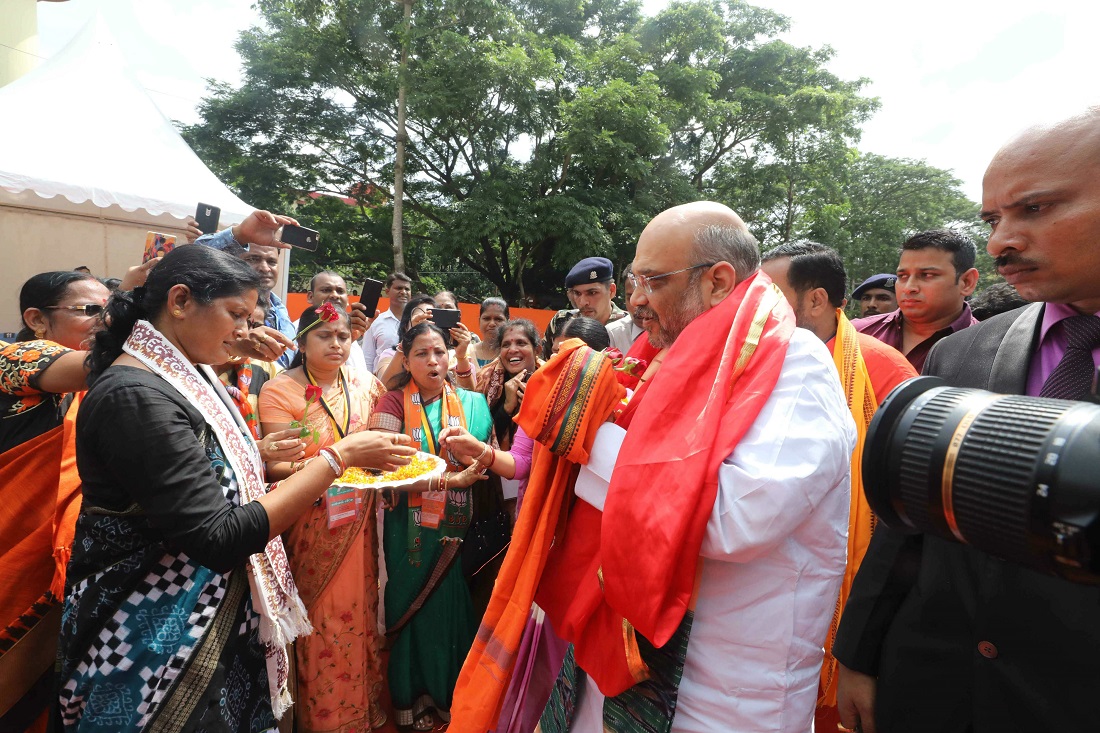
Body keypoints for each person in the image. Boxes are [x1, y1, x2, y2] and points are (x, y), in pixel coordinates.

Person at [451, 201, 855, 733]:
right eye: (633, 279)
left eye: (652, 281)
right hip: (616, 656)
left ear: (717, 281)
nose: (636, 300)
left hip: (726, 694)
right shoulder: (661, 358)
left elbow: (735, 521)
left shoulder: (793, 366)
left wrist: (583, 428)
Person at [57, 245, 417, 731]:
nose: (247, 332)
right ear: (180, 301)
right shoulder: (135, 395)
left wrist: (254, 454)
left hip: (208, 619)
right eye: (236, 315)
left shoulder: (184, 372)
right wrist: (339, 458)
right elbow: (219, 537)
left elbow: (200, 462)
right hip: (155, 636)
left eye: (251, 317)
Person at [833, 109, 1100, 733]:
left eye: (1034, 209)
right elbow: (907, 521)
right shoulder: (964, 353)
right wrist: (860, 652)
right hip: (934, 678)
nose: (1003, 240)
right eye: (993, 220)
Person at [760, 241, 917, 730]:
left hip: (852, 570)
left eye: (771, 295)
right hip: (768, 567)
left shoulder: (883, 369)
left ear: (816, 300)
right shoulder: (753, 362)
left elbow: (905, 506)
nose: (757, 308)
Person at [258, 302, 390, 732]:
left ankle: (360, 713)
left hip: (360, 520)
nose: (337, 344)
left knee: (361, 609)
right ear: (301, 342)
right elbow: (276, 467)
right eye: (324, 336)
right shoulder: (280, 390)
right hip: (310, 521)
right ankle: (323, 720)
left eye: (343, 337)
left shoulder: (365, 382)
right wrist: (331, 468)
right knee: (322, 620)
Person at [368, 321, 493, 731]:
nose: (432, 361)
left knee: (452, 615)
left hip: (457, 532)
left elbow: (489, 457)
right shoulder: (390, 405)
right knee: (411, 611)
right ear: (406, 359)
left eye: (439, 351)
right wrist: (446, 479)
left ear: (450, 355)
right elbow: (381, 472)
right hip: (409, 534)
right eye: (421, 353)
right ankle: (410, 702)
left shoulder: (473, 404)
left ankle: (449, 704)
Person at [0, 270, 110, 732]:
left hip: (70, 561)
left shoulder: (103, 384)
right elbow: (98, 364)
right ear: (36, 320)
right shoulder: (14, 357)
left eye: (110, 310)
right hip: (14, 553)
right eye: (91, 312)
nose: (105, 322)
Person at [853, 230, 980, 372]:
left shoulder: (988, 350)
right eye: (902, 276)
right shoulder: (855, 334)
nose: (909, 288)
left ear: (967, 282)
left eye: (927, 275)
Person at [195, 209, 301, 367]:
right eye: (254, 259)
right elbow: (196, 256)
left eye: (271, 261)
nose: (265, 268)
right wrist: (240, 234)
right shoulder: (215, 302)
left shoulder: (281, 312)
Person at [474, 319, 542, 451]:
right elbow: (481, 438)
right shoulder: (486, 382)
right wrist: (507, 407)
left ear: (537, 350)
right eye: (505, 345)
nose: (512, 350)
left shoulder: (551, 382)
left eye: (521, 343)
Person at [541, 257, 627, 359]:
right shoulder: (563, 320)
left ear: (611, 290)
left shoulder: (628, 326)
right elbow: (544, 364)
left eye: (592, 293)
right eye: (577, 293)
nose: (583, 302)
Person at [296, 270, 371, 374]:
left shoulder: (353, 331)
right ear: (310, 296)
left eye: (340, 291)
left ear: (348, 299)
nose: (335, 295)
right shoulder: (297, 329)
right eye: (326, 290)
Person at [362, 272, 413, 371]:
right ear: (387, 291)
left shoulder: (417, 322)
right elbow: (368, 357)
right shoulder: (375, 321)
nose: (403, 292)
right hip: (382, 382)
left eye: (407, 289)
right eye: (398, 288)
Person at [605, 265, 646, 352]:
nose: (637, 305)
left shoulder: (677, 333)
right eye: (630, 297)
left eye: (644, 296)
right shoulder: (613, 334)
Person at [471, 297, 510, 369]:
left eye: (498, 319)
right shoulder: (467, 353)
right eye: (486, 318)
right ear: (479, 321)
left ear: (508, 322)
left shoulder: (512, 354)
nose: (492, 324)